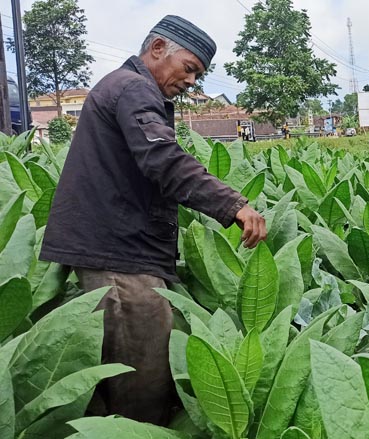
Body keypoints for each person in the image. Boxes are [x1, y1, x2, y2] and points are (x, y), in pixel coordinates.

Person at [39, 15, 267, 425]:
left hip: (122, 248)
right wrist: (233, 204)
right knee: (143, 374)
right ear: (158, 49)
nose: (192, 81)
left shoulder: (128, 88)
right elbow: (162, 160)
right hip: (118, 255)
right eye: (190, 68)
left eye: (198, 74)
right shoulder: (133, 88)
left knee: (134, 360)